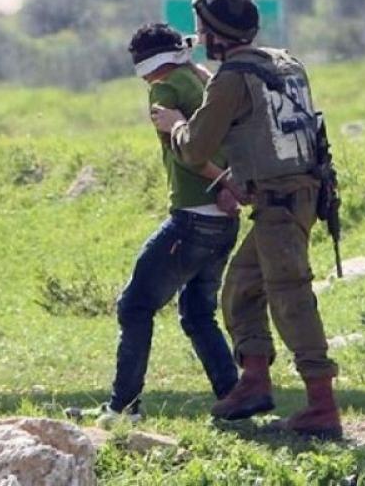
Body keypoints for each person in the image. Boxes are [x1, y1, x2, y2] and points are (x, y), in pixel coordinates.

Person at [151, 0, 342, 440]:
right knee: (240, 288)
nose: (199, 36)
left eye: (202, 28)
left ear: (217, 34)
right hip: (299, 195)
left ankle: (322, 405)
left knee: (291, 298)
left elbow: (195, 148)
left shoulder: (232, 78)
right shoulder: (285, 62)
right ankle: (254, 383)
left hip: (280, 203)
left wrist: (175, 125)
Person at [65, 23, 240, 427]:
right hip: (224, 222)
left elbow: (188, 153)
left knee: (135, 306)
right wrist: (230, 183)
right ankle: (235, 400)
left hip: (193, 218)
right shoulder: (202, 80)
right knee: (197, 313)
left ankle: (123, 408)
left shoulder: (164, 91)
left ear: (145, 64)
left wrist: (223, 181)